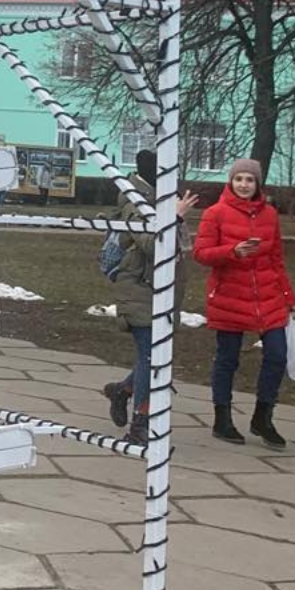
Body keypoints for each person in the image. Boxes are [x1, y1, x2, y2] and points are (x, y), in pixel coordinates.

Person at [193, 156, 295, 448]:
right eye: (239, 179)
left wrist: (289, 298)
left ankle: (263, 418)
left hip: (267, 296)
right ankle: (222, 419)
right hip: (229, 295)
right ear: (231, 181)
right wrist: (232, 252)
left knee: (277, 355)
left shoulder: (270, 215)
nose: (243, 184)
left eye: (249, 180)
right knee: (228, 358)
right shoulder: (215, 213)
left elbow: (276, 259)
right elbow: (201, 253)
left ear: (257, 184)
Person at [102, 149, 201, 446]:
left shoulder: (160, 197)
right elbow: (151, 244)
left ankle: (123, 390)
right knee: (151, 355)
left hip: (161, 289)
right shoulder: (135, 200)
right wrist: (176, 216)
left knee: (158, 354)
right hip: (139, 289)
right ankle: (139, 424)